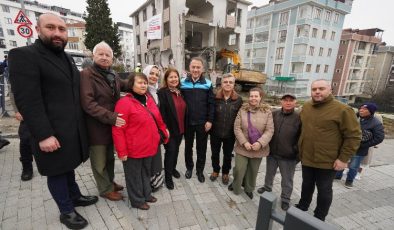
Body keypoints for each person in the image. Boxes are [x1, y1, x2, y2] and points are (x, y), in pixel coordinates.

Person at [9, 13, 98, 229]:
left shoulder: (65, 57)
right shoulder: (24, 55)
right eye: (51, 27)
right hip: (50, 131)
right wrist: (43, 134)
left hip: (70, 129)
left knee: (68, 166)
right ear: (38, 30)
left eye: (62, 29)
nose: (57, 33)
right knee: (56, 171)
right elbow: (28, 100)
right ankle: (66, 211)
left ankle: (75, 195)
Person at [295, 79, 361, 221]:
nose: (317, 91)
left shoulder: (343, 110)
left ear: (330, 90)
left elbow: (353, 136)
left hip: (328, 160)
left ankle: (319, 217)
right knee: (306, 185)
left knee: (324, 190)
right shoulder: (306, 106)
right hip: (307, 157)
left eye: (321, 88)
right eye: (314, 89)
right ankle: (303, 205)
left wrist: (343, 159)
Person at [112, 73, 169, 210]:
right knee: (134, 176)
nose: (143, 85)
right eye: (139, 83)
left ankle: (146, 193)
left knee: (146, 173)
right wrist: (122, 151)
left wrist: (164, 131)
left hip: (149, 146)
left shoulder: (148, 99)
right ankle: (137, 200)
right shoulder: (124, 103)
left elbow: (158, 118)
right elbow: (118, 129)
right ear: (131, 85)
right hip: (133, 149)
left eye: (145, 82)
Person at [80, 41, 125, 201]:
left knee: (110, 157)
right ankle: (105, 189)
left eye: (108, 55)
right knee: (99, 161)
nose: (104, 57)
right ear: (94, 56)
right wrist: (112, 118)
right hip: (96, 126)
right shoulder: (87, 74)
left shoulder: (112, 74)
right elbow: (88, 104)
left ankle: (110, 182)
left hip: (110, 126)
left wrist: (141, 83)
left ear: (112, 59)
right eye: (101, 54)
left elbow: (124, 86)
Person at [257, 94, 301, 211]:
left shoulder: (299, 117)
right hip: (272, 152)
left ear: (295, 102)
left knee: (287, 179)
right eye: (285, 100)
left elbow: (302, 137)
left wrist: (295, 151)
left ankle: (285, 199)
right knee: (269, 173)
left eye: (291, 100)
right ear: (281, 102)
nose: (288, 102)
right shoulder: (274, 114)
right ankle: (267, 188)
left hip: (288, 155)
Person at [228, 88, 274, 199]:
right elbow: (237, 127)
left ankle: (249, 188)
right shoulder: (242, 110)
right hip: (243, 146)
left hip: (258, 148)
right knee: (239, 169)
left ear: (260, 97)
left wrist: (260, 143)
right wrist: (244, 142)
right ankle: (236, 185)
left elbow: (270, 130)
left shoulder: (267, 111)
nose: (253, 98)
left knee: (252, 171)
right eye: (251, 96)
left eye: (256, 96)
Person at [181, 57, 215, 183]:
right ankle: (189, 168)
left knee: (202, 148)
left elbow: (211, 104)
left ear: (202, 69)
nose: (195, 69)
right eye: (193, 67)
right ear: (189, 68)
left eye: (198, 67)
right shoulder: (182, 83)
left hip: (202, 123)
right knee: (188, 147)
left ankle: (199, 171)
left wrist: (210, 121)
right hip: (187, 122)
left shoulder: (208, 84)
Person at [335, 103, 384, 188]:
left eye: (365, 109)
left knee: (354, 166)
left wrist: (364, 145)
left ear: (371, 112)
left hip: (359, 149)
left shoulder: (376, 123)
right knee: (343, 160)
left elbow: (379, 138)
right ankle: (337, 176)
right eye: (360, 108)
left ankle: (349, 181)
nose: (361, 110)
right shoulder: (354, 117)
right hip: (346, 145)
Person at [209, 73, 242, 185]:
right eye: (225, 82)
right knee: (215, 153)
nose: (228, 84)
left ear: (234, 84)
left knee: (227, 155)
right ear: (221, 83)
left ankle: (225, 172)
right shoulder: (215, 97)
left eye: (230, 82)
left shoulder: (238, 100)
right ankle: (215, 170)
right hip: (215, 132)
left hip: (230, 134)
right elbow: (210, 112)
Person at [157, 68, 186, 190]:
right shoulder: (162, 93)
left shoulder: (181, 91)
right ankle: (168, 177)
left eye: (176, 77)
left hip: (180, 129)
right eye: (171, 77)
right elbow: (161, 114)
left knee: (176, 150)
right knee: (170, 152)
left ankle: (173, 169)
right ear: (166, 79)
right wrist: (164, 129)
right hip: (169, 130)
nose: (174, 79)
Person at [143, 64, 164, 191]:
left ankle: (155, 182)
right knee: (147, 159)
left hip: (155, 132)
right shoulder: (141, 91)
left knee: (156, 158)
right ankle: (146, 184)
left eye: (157, 74)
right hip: (145, 133)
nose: (154, 77)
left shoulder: (156, 91)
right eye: (151, 73)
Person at [10, 90, 34, 181]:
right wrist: (16, 111)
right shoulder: (18, 75)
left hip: (43, 109)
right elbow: (13, 92)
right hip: (26, 110)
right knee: (25, 140)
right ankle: (27, 168)